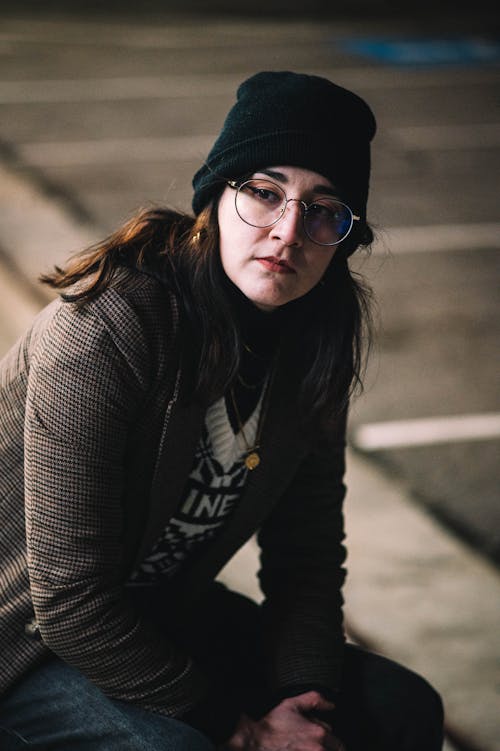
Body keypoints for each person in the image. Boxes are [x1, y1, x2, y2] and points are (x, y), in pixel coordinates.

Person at [0, 71, 444, 750]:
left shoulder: (316, 339)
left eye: (325, 209)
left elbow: (307, 559)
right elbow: (72, 601)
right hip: (26, 635)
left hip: (158, 613)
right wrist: (239, 729)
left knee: (399, 705)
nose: (289, 230)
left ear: (344, 237)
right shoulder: (107, 329)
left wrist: (305, 703)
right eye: (265, 193)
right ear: (216, 198)